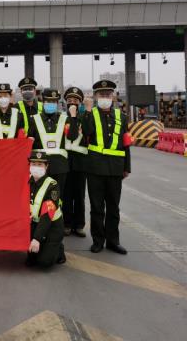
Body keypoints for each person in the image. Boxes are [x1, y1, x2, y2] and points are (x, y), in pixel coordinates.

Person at [82, 79, 132, 255]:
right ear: (96, 96)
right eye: (101, 94)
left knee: (113, 208)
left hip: (115, 169)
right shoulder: (90, 114)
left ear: (113, 96)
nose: (105, 97)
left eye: (108, 94)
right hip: (95, 168)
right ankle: (98, 241)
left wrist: (127, 167)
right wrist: (87, 111)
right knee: (97, 208)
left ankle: (113, 241)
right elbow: (86, 132)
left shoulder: (121, 116)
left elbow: (125, 144)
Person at [28, 88, 77, 201]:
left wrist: (73, 117)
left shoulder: (64, 119)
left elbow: (72, 137)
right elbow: (29, 143)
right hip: (40, 167)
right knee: (39, 198)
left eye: (54, 101)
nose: (51, 104)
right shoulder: (34, 119)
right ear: (43, 101)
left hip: (60, 167)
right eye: (48, 101)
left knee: (57, 199)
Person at [26, 151, 66, 268]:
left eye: (40, 164)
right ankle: (43, 244)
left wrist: (36, 239)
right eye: (33, 164)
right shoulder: (26, 181)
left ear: (46, 166)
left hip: (52, 226)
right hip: (33, 223)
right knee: (31, 260)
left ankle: (59, 250)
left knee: (44, 262)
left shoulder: (53, 186)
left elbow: (47, 214)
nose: (36, 167)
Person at [63, 87, 88, 238]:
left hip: (81, 162)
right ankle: (66, 224)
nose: (72, 103)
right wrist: (72, 117)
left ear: (80, 102)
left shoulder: (85, 118)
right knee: (66, 195)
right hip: (66, 161)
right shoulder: (62, 118)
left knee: (79, 196)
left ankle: (79, 225)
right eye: (69, 100)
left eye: (76, 100)